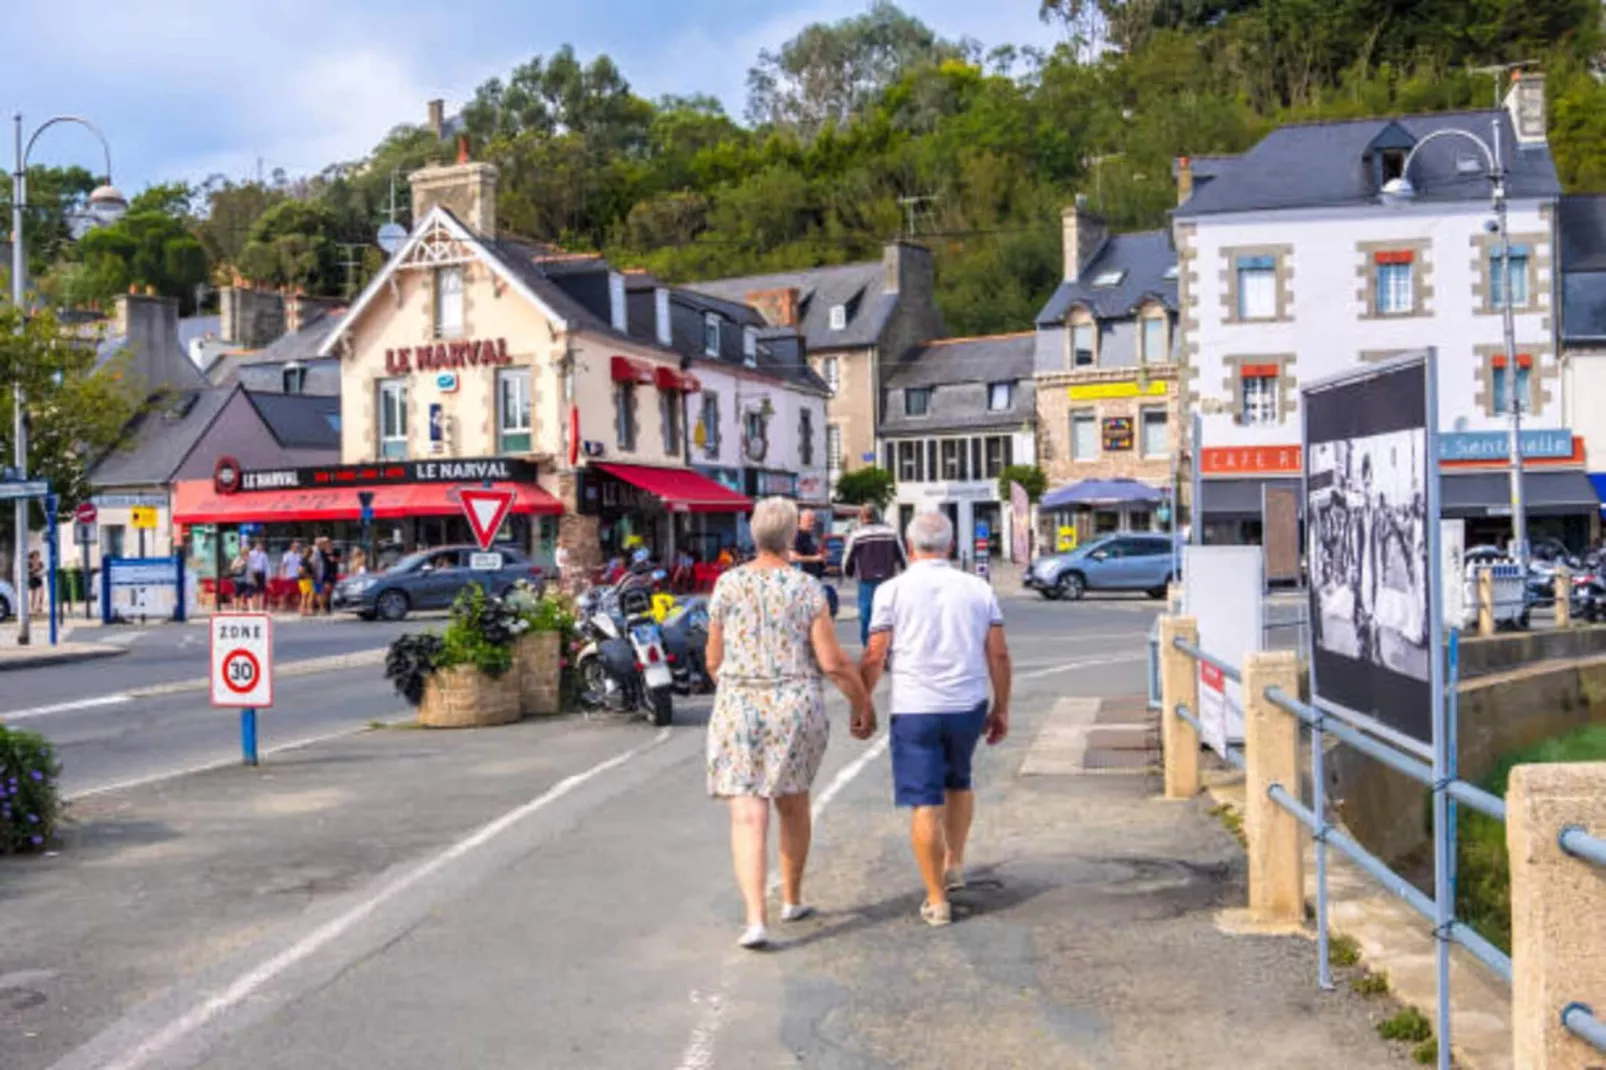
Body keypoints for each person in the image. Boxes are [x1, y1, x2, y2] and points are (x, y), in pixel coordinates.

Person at [705, 497, 876, 950]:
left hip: (739, 703)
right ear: (790, 538)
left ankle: (755, 919)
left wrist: (740, 688)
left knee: (748, 813)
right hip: (794, 706)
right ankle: (792, 898)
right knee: (793, 802)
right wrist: (862, 703)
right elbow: (832, 662)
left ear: (753, 534)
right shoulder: (806, 589)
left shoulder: (726, 585)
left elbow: (713, 659)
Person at [860, 511, 1012, 928]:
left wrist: (863, 703)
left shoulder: (890, 591)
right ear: (951, 545)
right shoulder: (978, 589)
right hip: (967, 704)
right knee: (959, 780)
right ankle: (954, 863)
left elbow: (875, 654)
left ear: (909, 547)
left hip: (915, 707)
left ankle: (936, 899)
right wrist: (1001, 706)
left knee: (925, 801)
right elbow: (998, 653)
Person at [842, 504, 907, 647]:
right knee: (888, 612)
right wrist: (904, 569)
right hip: (888, 577)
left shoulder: (857, 535)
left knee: (866, 613)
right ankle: (888, 645)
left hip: (866, 578)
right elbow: (902, 554)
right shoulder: (891, 532)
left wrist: (847, 572)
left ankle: (868, 646)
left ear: (862, 517)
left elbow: (848, 557)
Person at [790, 509, 836, 617]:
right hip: (802, 583)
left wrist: (822, 559)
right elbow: (793, 557)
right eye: (809, 520)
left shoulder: (807, 536)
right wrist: (815, 558)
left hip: (812, 580)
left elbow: (811, 554)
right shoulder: (796, 536)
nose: (812, 523)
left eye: (814, 520)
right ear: (800, 520)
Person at [247, 539, 271, 612]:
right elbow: (249, 564)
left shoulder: (264, 555)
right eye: (258, 545)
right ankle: (254, 607)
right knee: (254, 591)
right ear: (255, 546)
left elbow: (267, 566)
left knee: (261, 591)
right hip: (253, 573)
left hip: (261, 573)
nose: (259, 547)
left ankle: (260, 608)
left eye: (260, 546)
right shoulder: (251, 553)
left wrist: (268, 576)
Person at [27, 550, 44, 615]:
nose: (37, 557)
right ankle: (32, 608)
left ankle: (39, 607)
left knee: (41, 593)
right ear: (33, 556)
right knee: (33, 595)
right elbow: (28, 572)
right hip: (32, 580)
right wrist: (34, 569)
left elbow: (42, 571)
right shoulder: (29, 563)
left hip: (39, 579)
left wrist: (41, 574)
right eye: (36, 555)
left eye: (38, 556)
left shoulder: (40, 563)